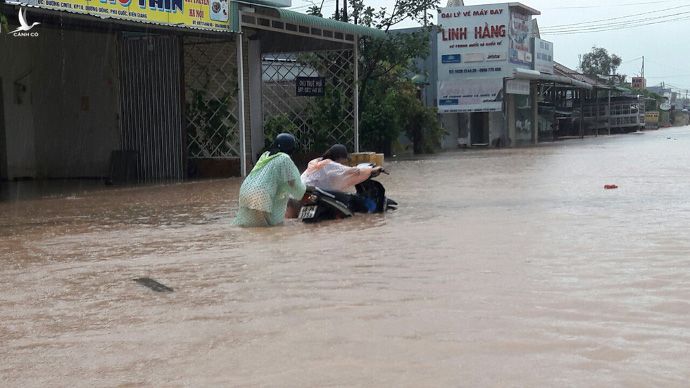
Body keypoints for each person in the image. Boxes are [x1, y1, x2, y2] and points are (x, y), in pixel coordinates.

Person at [233, 133, 306, 227]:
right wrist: (302, 190)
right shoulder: (284, 158)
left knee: (252, 228)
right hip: (262, 196)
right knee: (271, 229)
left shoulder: (266, 155)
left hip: (246, 192)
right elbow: (292, 183)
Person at [300, 144, 382, 192]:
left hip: (300, 192)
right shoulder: (329, 164)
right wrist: (374, 169)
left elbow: (340, 171)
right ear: (339, 157)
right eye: (344, 159)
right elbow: (353, 170)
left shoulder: (317, 162)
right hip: (311, 192)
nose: (344, 161)